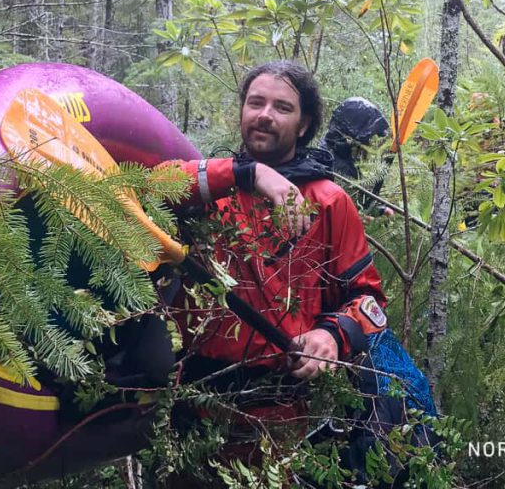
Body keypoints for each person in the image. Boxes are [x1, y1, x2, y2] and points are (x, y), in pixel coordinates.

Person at [166, 61, 390, 466]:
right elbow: (148, 187)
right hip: (190, 401)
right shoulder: (209, 188)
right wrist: (247, 174)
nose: (265, 115)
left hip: (277, 411)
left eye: (282, 107)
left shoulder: (328, 202)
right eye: (256, 103)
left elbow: (369, 299)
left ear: (304, 125)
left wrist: (332, 336)